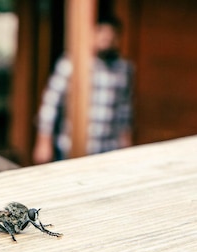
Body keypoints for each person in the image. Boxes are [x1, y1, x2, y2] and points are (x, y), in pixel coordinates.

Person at [33, 16, 133, 164]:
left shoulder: (123, 68)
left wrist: (126, 143)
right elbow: (50, 104)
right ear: (91, 34)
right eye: (101, 32)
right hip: (73, 147)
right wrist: (43, 141)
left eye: (111, 33)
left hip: (108, 148)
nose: (106, 37)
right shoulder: (71, 64)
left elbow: (124, 110)